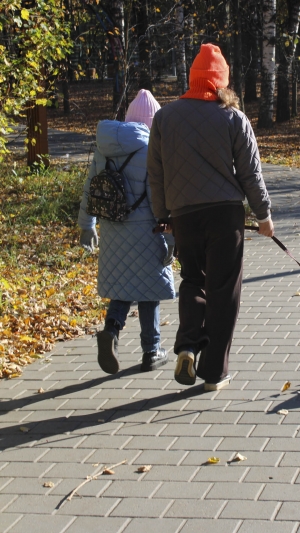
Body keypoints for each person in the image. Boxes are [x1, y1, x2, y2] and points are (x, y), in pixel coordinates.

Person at [147, 43, 273, 392]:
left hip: (184, 215)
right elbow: (251, 173)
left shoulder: (164, 117)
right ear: (222, 81)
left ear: (193, 78)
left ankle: (187, 344)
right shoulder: (234, 118)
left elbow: (154, 174)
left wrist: (162, 215)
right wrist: (263, 215)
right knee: (223, 290)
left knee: (192, 280)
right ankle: (214, 371)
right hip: (224, 216)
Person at [78, 89, 176, 375]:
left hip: (112, 230)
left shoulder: (103, 148)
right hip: (147, 232)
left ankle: (112, 330)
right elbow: (160, 200)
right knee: (149, 292)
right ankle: (152, 350)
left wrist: (87, 225)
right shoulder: (151, 151)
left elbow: (89, 190)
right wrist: (170, 238)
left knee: (123, 284)